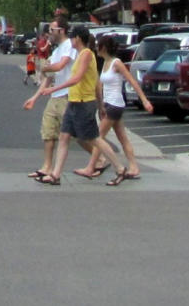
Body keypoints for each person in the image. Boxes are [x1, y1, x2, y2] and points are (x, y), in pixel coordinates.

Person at [34, 25, 129, 186]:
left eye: (72, 37)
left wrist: (55, 88)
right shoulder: (79, 55)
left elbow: (77, 79)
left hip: (84, 103)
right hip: (74, 101)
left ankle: (120, 169)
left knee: (94, 139)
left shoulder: (86, 54)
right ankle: (56, 175)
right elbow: (95, 82)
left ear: (78, 38)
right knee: (64, 137)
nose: (70, 40)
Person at [76, 34, 152, 180]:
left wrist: (144, 100)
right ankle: (134, 167)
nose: (96, 48)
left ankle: (91, 167)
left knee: (98, 137)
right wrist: (100, 105)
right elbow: (100, 86)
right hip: (108, 104)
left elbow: (132, 81)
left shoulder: (116, 63)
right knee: (122, 138)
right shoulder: (105, 63)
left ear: (103, 47)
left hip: (115, 104)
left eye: (98, 46)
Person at [22, 19, 77, 181]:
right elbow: (49, 77)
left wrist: (45, 67)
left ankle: (100, 158)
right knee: (48, 131)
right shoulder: (58, 49)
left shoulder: (69, 46)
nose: (49, 33)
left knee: (79, 134)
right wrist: (34, 98)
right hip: (55, 96)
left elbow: (60, 66)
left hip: (68, 95)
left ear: (61, 30)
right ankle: (47, 167)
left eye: (52, 29)